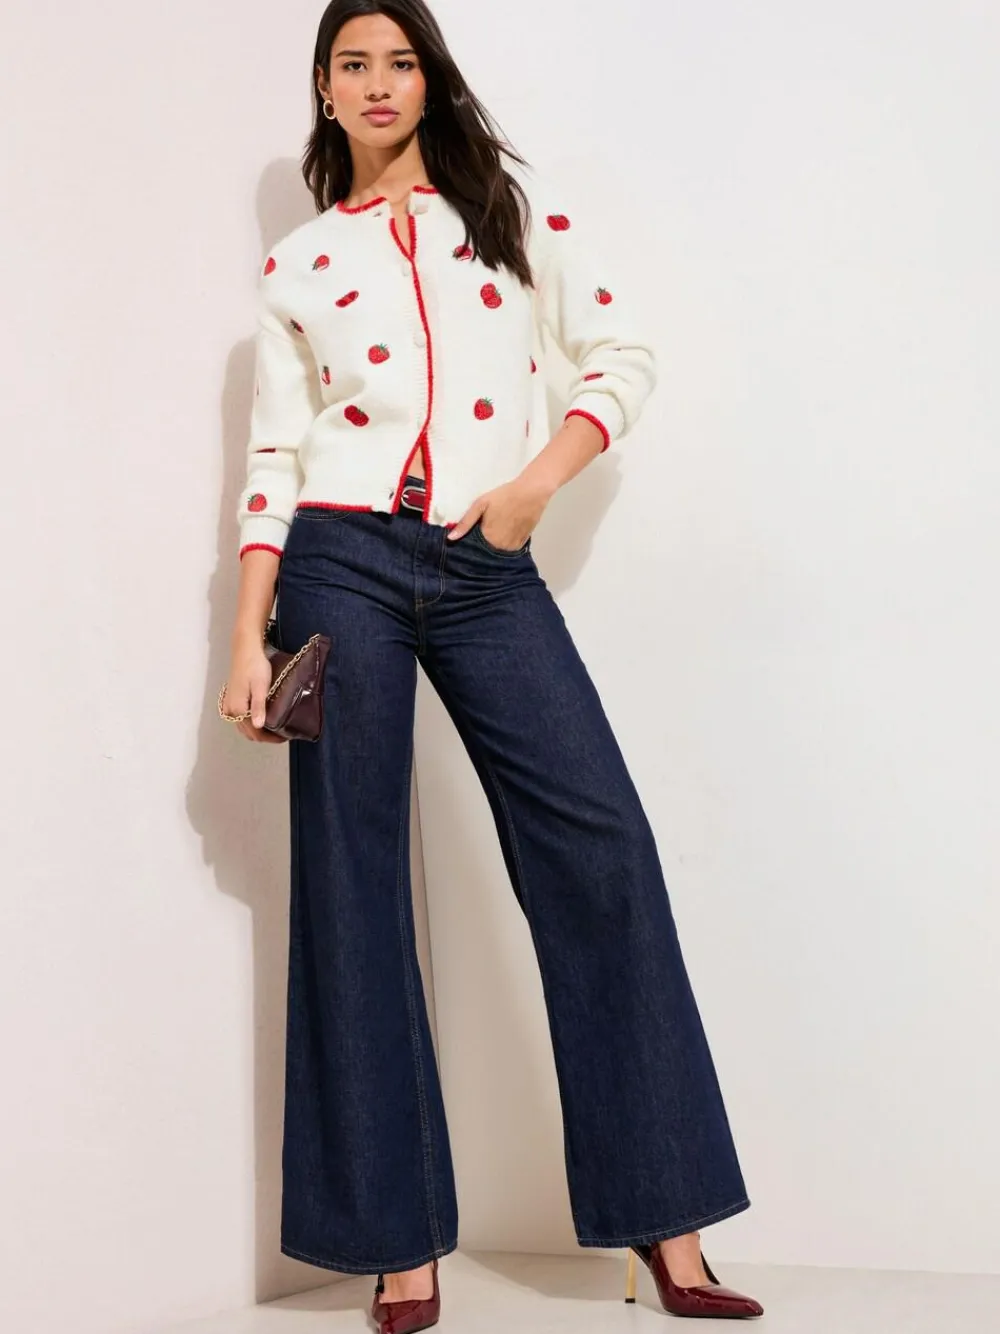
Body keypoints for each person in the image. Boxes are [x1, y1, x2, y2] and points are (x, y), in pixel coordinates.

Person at [221, 0, 764, 1328]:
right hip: (338, 565)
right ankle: (396, 1245)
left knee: (601, 850)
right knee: (352, 884)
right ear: (325, 88)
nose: (379, 82)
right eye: (354, 64)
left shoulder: (508, 217)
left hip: (484, 567)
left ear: (431, 79)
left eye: (400, 61)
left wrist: (531, 489)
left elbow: (622, 355)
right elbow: (276, 457)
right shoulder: (300, 265)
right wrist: (247, 635)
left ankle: (668, 1226)